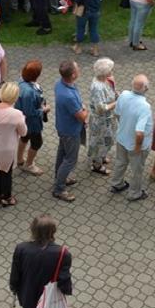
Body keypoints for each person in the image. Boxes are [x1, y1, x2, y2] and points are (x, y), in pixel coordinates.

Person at [10, 214, 73, 308]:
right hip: (50, 297)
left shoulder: (21, 248)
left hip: (28, 294)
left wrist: (14, 287)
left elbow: (15, 274)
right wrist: (67, 290)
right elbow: (64, 279)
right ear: (53, 231)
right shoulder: (62, 253)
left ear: (32, 230)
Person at [109, 75, 154, 202]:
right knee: (136, 170)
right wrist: (138, 148)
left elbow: (117, 113)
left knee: (120, 162)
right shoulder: (144, 106)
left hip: (122, 138)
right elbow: (140, 133)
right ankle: (135, 193)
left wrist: (124, 127)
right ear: (146, 88)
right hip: (136, 144)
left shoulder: (123, 95)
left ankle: (117, 184)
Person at [53, 60, 87, 202]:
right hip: (71, 131)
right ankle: (59, 188)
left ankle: (59, 177)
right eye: (78, 68)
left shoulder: (59, 84)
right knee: (70, 160)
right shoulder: (69, 96)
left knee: (62, 153)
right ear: (73, 75)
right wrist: (85, 110)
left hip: (63, 126)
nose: (80, 70)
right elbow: (81, 116)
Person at [15, 61, 48, 176]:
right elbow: (30, 112)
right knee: (37, 142)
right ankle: (29, 165)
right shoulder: (29, 92)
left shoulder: (21, 81)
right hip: (31, 122)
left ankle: (19, 159)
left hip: (23, 121)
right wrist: (43, 110)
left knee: (24, 137)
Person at [86, 58, 117, 175]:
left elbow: (110, 92)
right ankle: (97, 165)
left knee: (108, 140)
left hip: (108, 119)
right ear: (105, 72)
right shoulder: (98, 88)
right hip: (101, 122)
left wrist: (116, 94)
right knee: (100, 142)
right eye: (111, 69)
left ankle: (102, 156)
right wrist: (116, 103)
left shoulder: (105, 79)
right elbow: (100, 109)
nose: (113, 71)